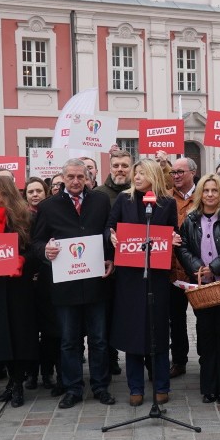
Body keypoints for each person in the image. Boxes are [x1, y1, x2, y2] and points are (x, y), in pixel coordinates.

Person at [31, 159, 117, 409]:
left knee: (99, 340)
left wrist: (110, 257)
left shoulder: (100, 201)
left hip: (95, 282)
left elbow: (107, 234)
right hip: (65, 286)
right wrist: (44, 250)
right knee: (69, 341)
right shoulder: (49, 207)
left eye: (81, 176)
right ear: (63, 178)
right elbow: (36, 242)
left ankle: (100, 386)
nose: (76, 181)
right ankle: (73, 388)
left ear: (88, 177)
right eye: (71, 177)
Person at [107, 159, 178, 406]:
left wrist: (175, 239)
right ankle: (135, 387)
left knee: (157, 329)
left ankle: (161, 385)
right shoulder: (123, 200)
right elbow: (110, 227)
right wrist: (112, 237)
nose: (136, 177)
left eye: (141, 173)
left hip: (156, 278)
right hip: (129, 277)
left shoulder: (167, 203)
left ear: (153, 176)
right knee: (132, 331)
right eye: (135, 173)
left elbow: (173, 232)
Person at [177, 174, 220, 404]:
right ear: (200, 194)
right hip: (202, 287)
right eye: (205, 190)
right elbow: (183, 248)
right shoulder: (190, 219)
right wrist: (199, 269)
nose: (209, 195)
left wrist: (214, 268)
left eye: (214, 190)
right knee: (205, 335)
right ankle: (209, 386)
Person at [0, 175, 39, 407]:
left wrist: (23, 260)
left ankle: (17, 383)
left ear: (6, 192)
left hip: (19, 288)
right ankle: (10, 382)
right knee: (0, 336)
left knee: (19, 335)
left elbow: (35, 249)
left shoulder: (25, 217)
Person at [93, 149, 134, 376]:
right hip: (106, 264)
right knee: (106, 316)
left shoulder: (137, 192)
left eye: (125, 165)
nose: (120, 169)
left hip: (131, 264)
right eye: (116, 165)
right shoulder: (99, 194)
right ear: (110, 167)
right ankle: (110, 360)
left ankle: (135, 356)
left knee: (129, 313)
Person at [23, 177, 61, 392]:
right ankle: (31, 373)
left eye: (39, 191)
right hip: (27, 279)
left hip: (48, 278)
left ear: (45, 194)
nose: (35, 195)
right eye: (31, 192)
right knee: (29, 330)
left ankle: (47, 372)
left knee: (49, 331)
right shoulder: (20, 217)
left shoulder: (51, 213)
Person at [167, 156, 197, 379]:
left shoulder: (204, 195)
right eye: (173, 172)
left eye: (180, 172)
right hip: (172, 269)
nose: (176, 176)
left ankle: (207, 358)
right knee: (175, 319)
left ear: (192, 173)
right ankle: (179, 360)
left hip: (198, 270)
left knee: (204, 318)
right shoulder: (165, 198)